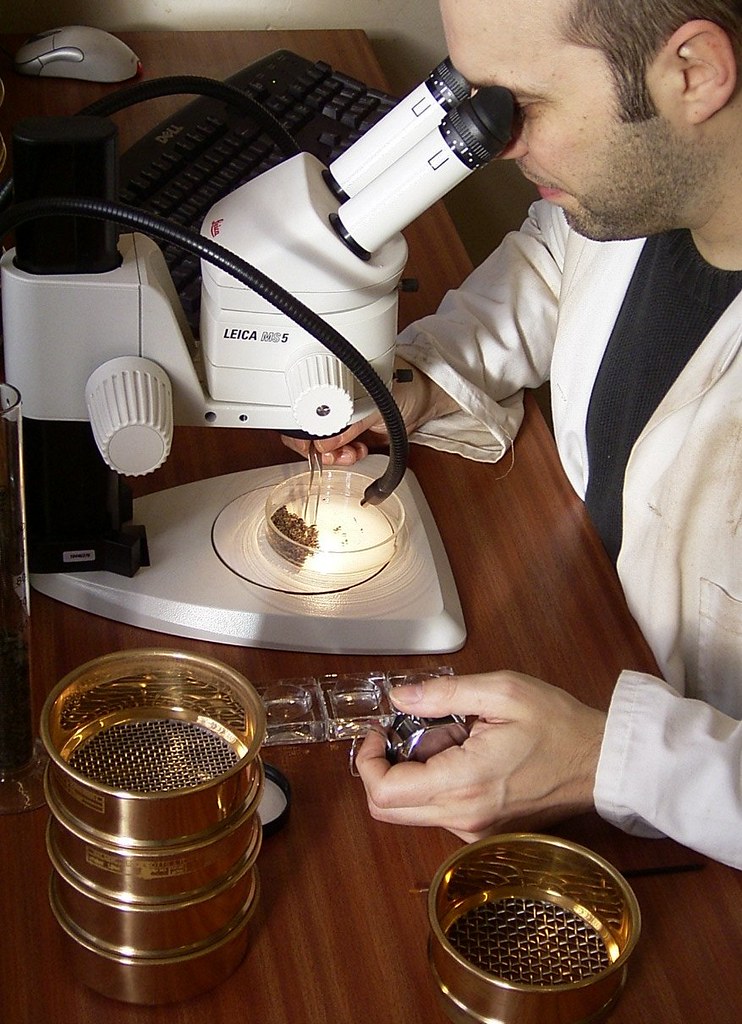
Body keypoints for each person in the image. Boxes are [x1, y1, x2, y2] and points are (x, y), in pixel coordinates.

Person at [284, 0, 742, 869]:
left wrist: (615, 764)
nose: (494, 143)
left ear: (693, 71)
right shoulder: (637, 191)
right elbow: (554, 262)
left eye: (519, 105)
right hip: (592, 624)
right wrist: (411, 383)